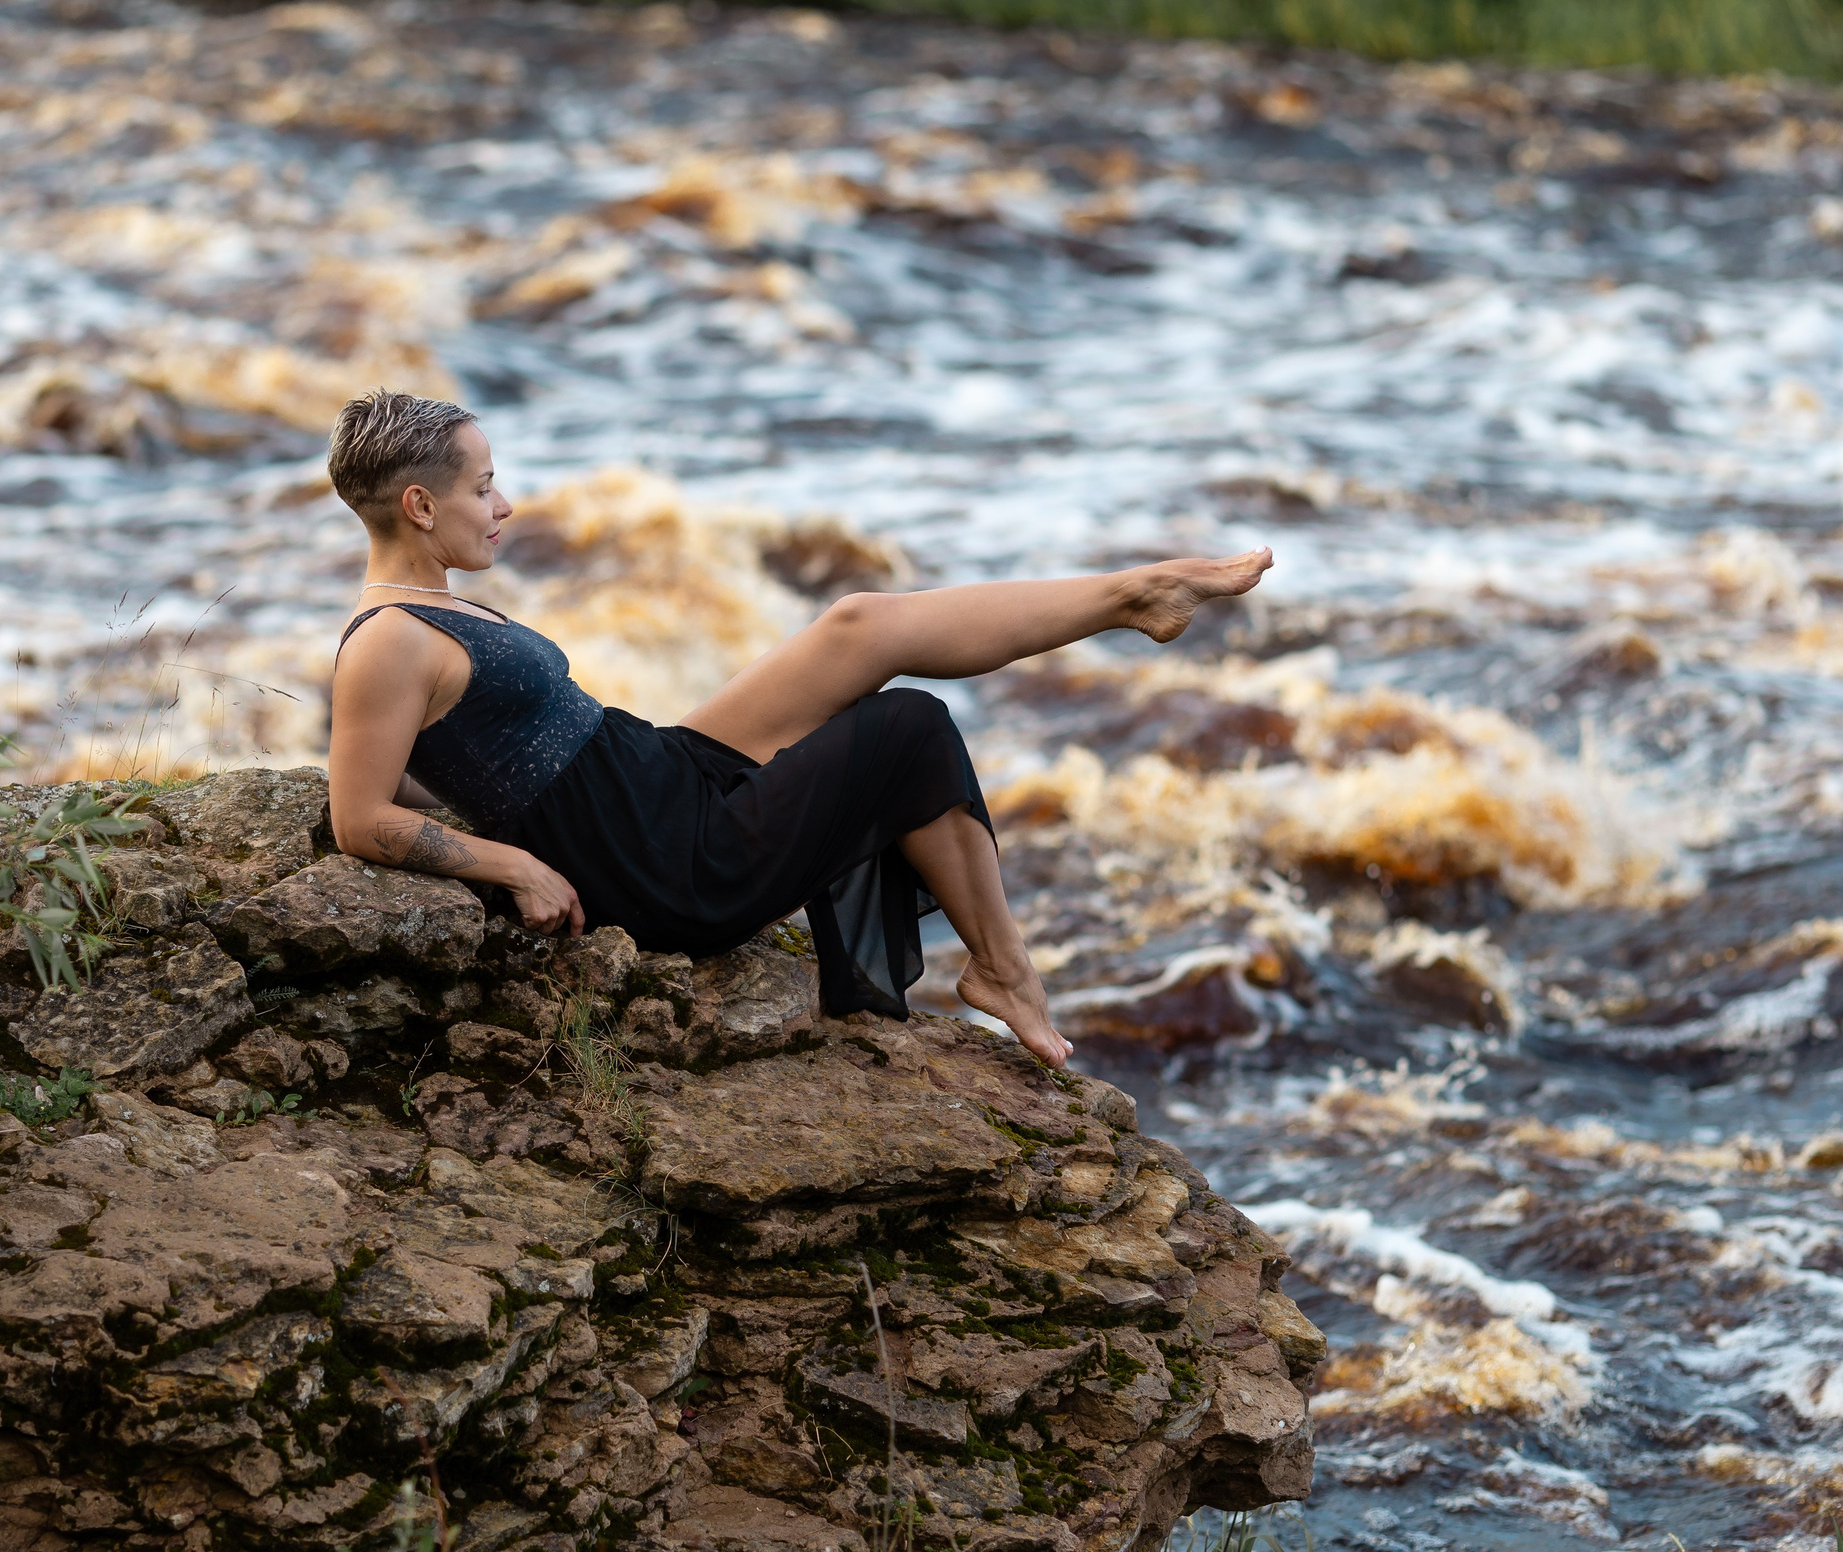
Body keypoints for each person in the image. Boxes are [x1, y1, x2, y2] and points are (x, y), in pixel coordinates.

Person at [323, 391, 1268, 1069]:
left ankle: (1134, 593)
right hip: (664, 865)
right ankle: (1003, 970)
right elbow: (360, 817)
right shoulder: (388, 640)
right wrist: (516, 866)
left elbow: (433, 760)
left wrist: (494, 805)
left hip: (650, 779)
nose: (504, 506)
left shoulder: (429, 605)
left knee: (859, 624)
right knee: (908, 727)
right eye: (484, 487)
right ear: (420, 506)